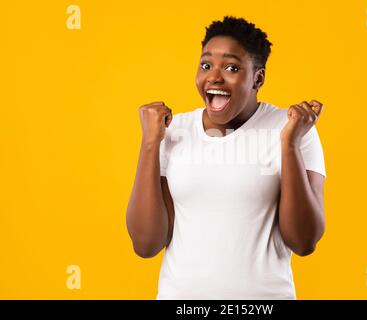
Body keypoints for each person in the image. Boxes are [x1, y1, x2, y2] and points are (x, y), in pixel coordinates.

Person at [126, 16, 326, 300]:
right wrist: (149, 143)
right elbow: (145, 244)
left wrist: (289, 144)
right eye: (206, 65)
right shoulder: (173, 130)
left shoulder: (294, 127)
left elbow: (304, 241)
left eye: (232, 67)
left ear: (258, 78)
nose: (214, 77)